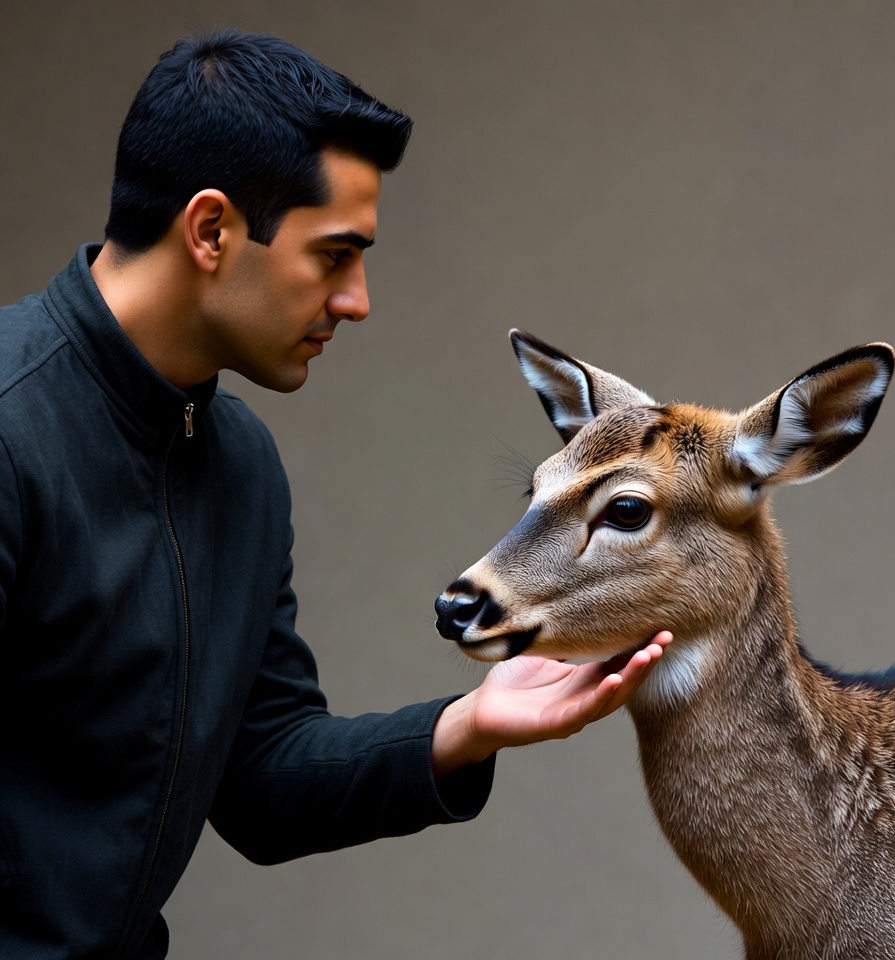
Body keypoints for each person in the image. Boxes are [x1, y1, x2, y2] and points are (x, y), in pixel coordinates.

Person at [0, 30, 671, 959]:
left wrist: (470, 725)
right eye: (334, 255)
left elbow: (262, 781)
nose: (357, 300)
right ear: (210, 230)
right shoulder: (8, 424)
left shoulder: (239, 465)